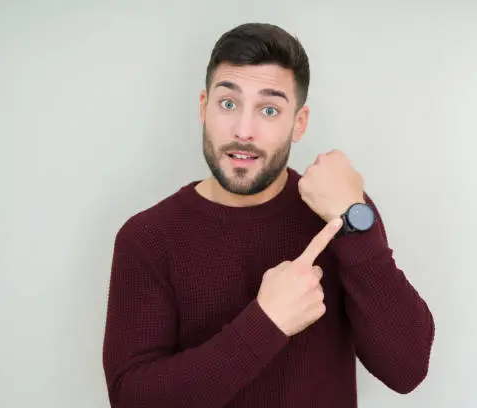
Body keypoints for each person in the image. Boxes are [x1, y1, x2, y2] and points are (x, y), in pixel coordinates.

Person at [102, 22, 435, 408]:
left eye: (269, 109)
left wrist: (354, 218)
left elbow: (406, 369)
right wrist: (267, 323)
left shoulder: (338, 212)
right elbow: (132, 399)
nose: (244, 130)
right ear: (203, 108)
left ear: (299, 124)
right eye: (228, 104)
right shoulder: (148, 238)